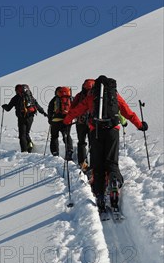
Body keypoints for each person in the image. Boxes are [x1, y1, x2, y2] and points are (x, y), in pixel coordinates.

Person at [63, 75, 148, 212]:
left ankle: (100, 195)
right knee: (112, 162)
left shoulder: (91, 96)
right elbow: (127, 112)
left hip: (96, 131)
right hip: (112, 131)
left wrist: (66, 121)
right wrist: (140, 125)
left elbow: (77, 110)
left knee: (98, 164)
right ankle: (114, 181)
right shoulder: (114, 95)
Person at [2, 84, 47, 152]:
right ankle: (30, 145)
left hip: (22, 117)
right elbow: (37, 105)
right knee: (26, 133)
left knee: (22, 135)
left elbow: (8, 108)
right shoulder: (30, 97)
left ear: (17, 90)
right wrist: (44, 113)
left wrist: (4, 106)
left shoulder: (16, 98)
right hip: (31, 117)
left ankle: (24, 150)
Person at [70, 79, 95, 169]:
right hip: (93, 123)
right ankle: (94, 163)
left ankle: (83, 164)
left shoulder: (79, 95)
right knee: (93, 143)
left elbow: (72, 108)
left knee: (81, 142)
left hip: (80, 122)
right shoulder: (96, 95)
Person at [47, 87, 73, 160]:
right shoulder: (70, 98)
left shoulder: (54, 99)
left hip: (56, 121)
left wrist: (50, 120)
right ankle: (69, 152)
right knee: (67, 136)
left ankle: (55, 153)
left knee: (54, 136)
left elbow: (50, 110)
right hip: (67, 120)